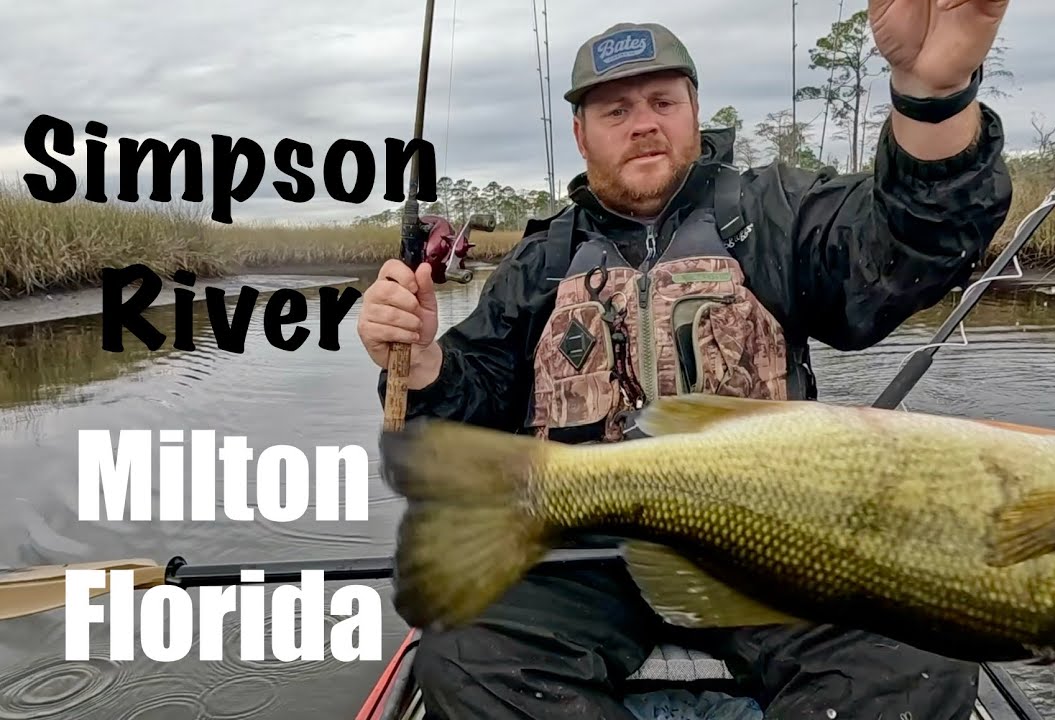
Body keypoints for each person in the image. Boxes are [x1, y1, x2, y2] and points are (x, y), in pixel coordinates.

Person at [356, 3, 1014, 718]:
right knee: (464, 655)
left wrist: (932, 96)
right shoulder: (540, 259)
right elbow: (467, 410)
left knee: (919, 655)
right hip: (579, 555)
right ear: (581, 135)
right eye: (615, 111)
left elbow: (910, 241)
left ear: (694, 113)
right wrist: (419, 363)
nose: (643, 123)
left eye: (662, 102)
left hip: (771, 539)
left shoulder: (776, 212)